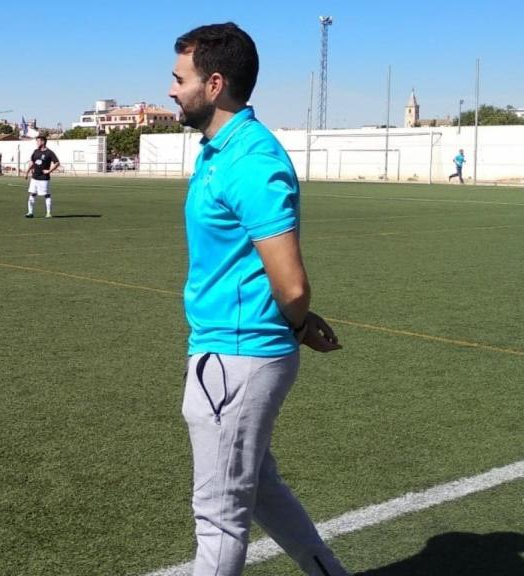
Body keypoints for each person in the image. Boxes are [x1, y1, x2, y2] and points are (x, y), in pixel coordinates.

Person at [169, 23, 348, 576]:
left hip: (239, 359)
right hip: (226, 351)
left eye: (180, 79)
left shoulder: (251, 159)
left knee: (219, 519)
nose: (171, 90)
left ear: (215, 83)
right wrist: (297, 320)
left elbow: (290, 284)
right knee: (259, 488)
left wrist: (295, 321)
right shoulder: (219, 150)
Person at [23, 134, 59, 218]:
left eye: (38, 141)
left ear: (43, 142)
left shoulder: (49, 153)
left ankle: (48, 213)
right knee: (32, 194)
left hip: (44, 178)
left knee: (46, 195)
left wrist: (49, 171)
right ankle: (30, 212)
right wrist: (27, 172)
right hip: (34, 177)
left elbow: (57, 163)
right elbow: (32, 162)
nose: (37, 143)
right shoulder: (35, 151)